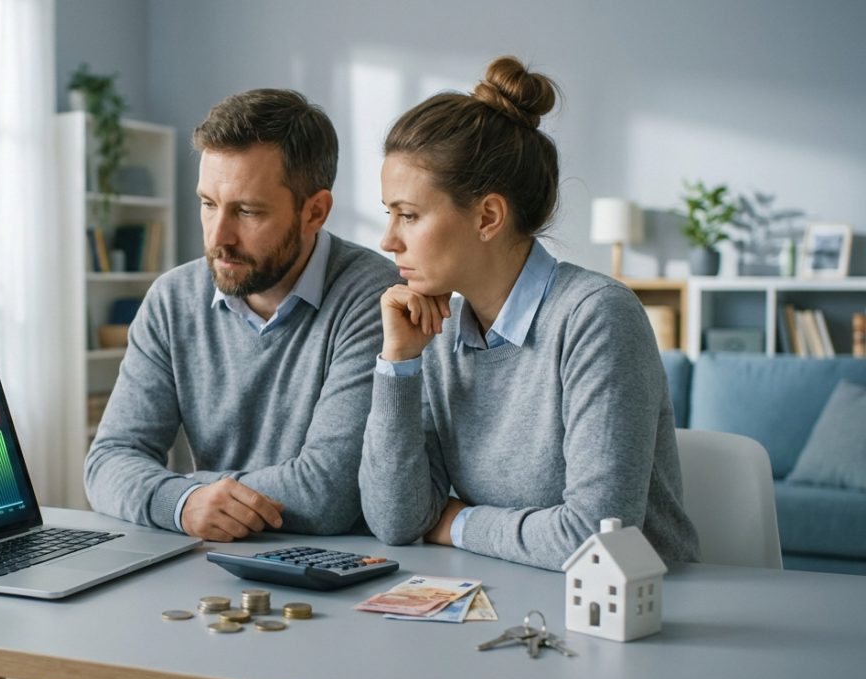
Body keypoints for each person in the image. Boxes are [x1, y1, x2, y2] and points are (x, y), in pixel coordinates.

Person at [359, 56, 700, 571]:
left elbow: (595, 540)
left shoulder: (596, 318)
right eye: (389, 214)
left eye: (408, 215)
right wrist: (399, 365)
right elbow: (396, 519)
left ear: (487, 216)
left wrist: (457, 522)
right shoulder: (437, 333)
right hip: (514, 600)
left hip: (640, 617)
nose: (388, 240)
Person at [84, 88, 399, 542]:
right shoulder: (172, 300)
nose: (218, 236)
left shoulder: (374, 297)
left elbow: (328, 492)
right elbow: (108, 460)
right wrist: (184, 504)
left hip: (338, 573)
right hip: (207, 566)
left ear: (315, 212)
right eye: (208, 204)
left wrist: (189, 492)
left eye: (246, 211)